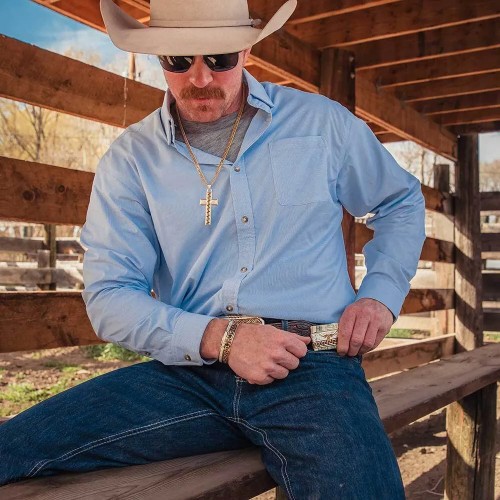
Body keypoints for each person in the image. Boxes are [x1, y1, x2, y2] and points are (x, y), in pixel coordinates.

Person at [0, 0, 426, 497]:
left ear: (246, 51)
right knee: (11, 449)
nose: (199, 78)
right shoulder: (131, 159)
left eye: (219, 59)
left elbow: (399, 202)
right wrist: (221, 340)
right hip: (189, 373)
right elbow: (110, 295)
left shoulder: (321, 123)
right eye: (179, 60)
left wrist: (380, 295)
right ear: (160, 58)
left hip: (310, 365)